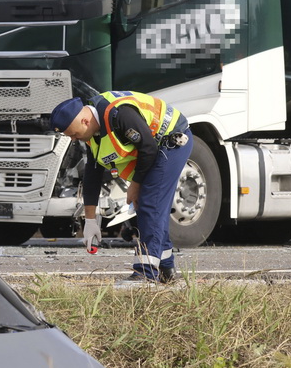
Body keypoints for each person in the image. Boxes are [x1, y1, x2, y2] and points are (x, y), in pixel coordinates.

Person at [50, 91, 193, 284]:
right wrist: (91, 221)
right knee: (150, 206)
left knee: (151, 204)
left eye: (74, 134)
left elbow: (148, 148)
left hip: (172, 140)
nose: (74, 139)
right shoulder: (93, 134)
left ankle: (145, 273)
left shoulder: (118, 114)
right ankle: (165, 269)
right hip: (152, 148)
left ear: (84, 121)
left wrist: (135, 185)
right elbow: (92, 175)